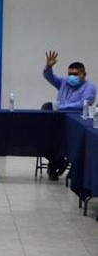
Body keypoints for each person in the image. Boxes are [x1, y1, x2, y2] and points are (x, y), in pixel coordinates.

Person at [42, 51, 96, 179]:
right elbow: (50, 77)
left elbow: (84, 104)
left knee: (59, 140)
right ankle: (59, 161)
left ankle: (55, 165)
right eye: (70, 74)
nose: (72, 77)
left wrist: (61, 107)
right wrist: (48, 66)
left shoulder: (90, 87)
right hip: (59, 118)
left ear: (83, 74)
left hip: (75, 120)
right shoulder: (64, 82)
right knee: (44, 136)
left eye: (75, 74)